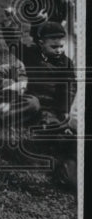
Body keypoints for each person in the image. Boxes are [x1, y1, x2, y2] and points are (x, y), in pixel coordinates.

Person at [21, 22, 78, 188]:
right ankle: (47, 136)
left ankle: (60, 139)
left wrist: (64, 110)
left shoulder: (65, 63)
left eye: (61, 46)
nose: (59, 50)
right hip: (35, 99)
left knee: (54, 123)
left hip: (54, 107)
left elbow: (68, 87)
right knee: (40, 115)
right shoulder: (32, 55)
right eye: (54, 47)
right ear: (41, 44)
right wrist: (9, 23)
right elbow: (13, 45)